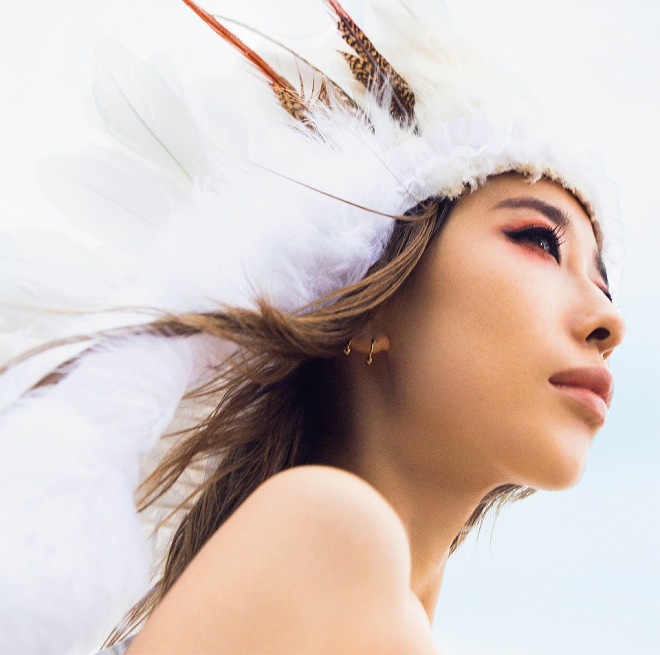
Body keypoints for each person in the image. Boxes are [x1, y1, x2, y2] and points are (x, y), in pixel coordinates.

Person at [0, 1, 625, 653]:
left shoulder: (338, 586)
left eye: (604, 282)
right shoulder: (330, 532)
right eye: (539, 241)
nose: (610, 319)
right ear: (372, 299)